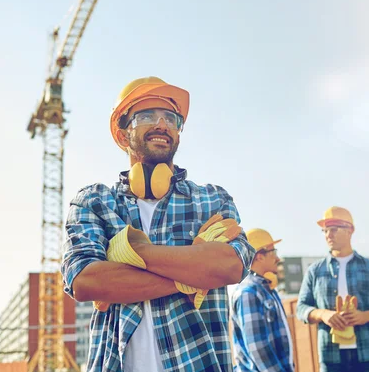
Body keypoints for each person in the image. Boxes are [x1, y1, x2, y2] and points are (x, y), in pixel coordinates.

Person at [61, 77, 255, 372]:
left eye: (171, 118)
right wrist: (196, 272)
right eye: (147, 115)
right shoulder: (94, 202)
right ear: (123, 133)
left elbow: (231, 267)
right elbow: (86, 281)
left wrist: (130, 252)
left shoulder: (212, 199)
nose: (162, 124)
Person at [297, 207, 369, 372]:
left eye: (334, 229)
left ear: (350, 230)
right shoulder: (315, 271)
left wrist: (366, 316)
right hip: (331, 358)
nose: (328, 235)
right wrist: (324, 314)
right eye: (325, 230)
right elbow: (301, 308)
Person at [231, 228, 294, 372]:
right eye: (274, 252)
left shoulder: (265, 289)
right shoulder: (248, 292)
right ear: (260, 256)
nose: (277, 258)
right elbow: (257, 346)